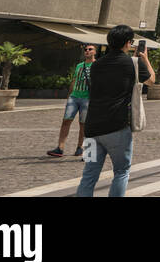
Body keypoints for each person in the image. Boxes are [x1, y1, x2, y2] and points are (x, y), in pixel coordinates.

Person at [77, 26, 153, 197]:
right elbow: (151, 80)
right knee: (121, 171)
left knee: (88, 175)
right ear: (128, 43)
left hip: (91, 129)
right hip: (116, 128)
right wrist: (144, 58)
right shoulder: (132, 63)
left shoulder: (96, 66)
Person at [48, 44, 96, 158]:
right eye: (86, 50)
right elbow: (74, 81)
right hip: (74, 97)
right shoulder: (80, 65)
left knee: (83, 124)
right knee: (66, 121)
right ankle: (60, 148)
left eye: (90, 49)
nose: (87, 51)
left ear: (95, 52)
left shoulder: (97, 65)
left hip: (87, 99)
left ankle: (80, 148)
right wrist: (69, 96)